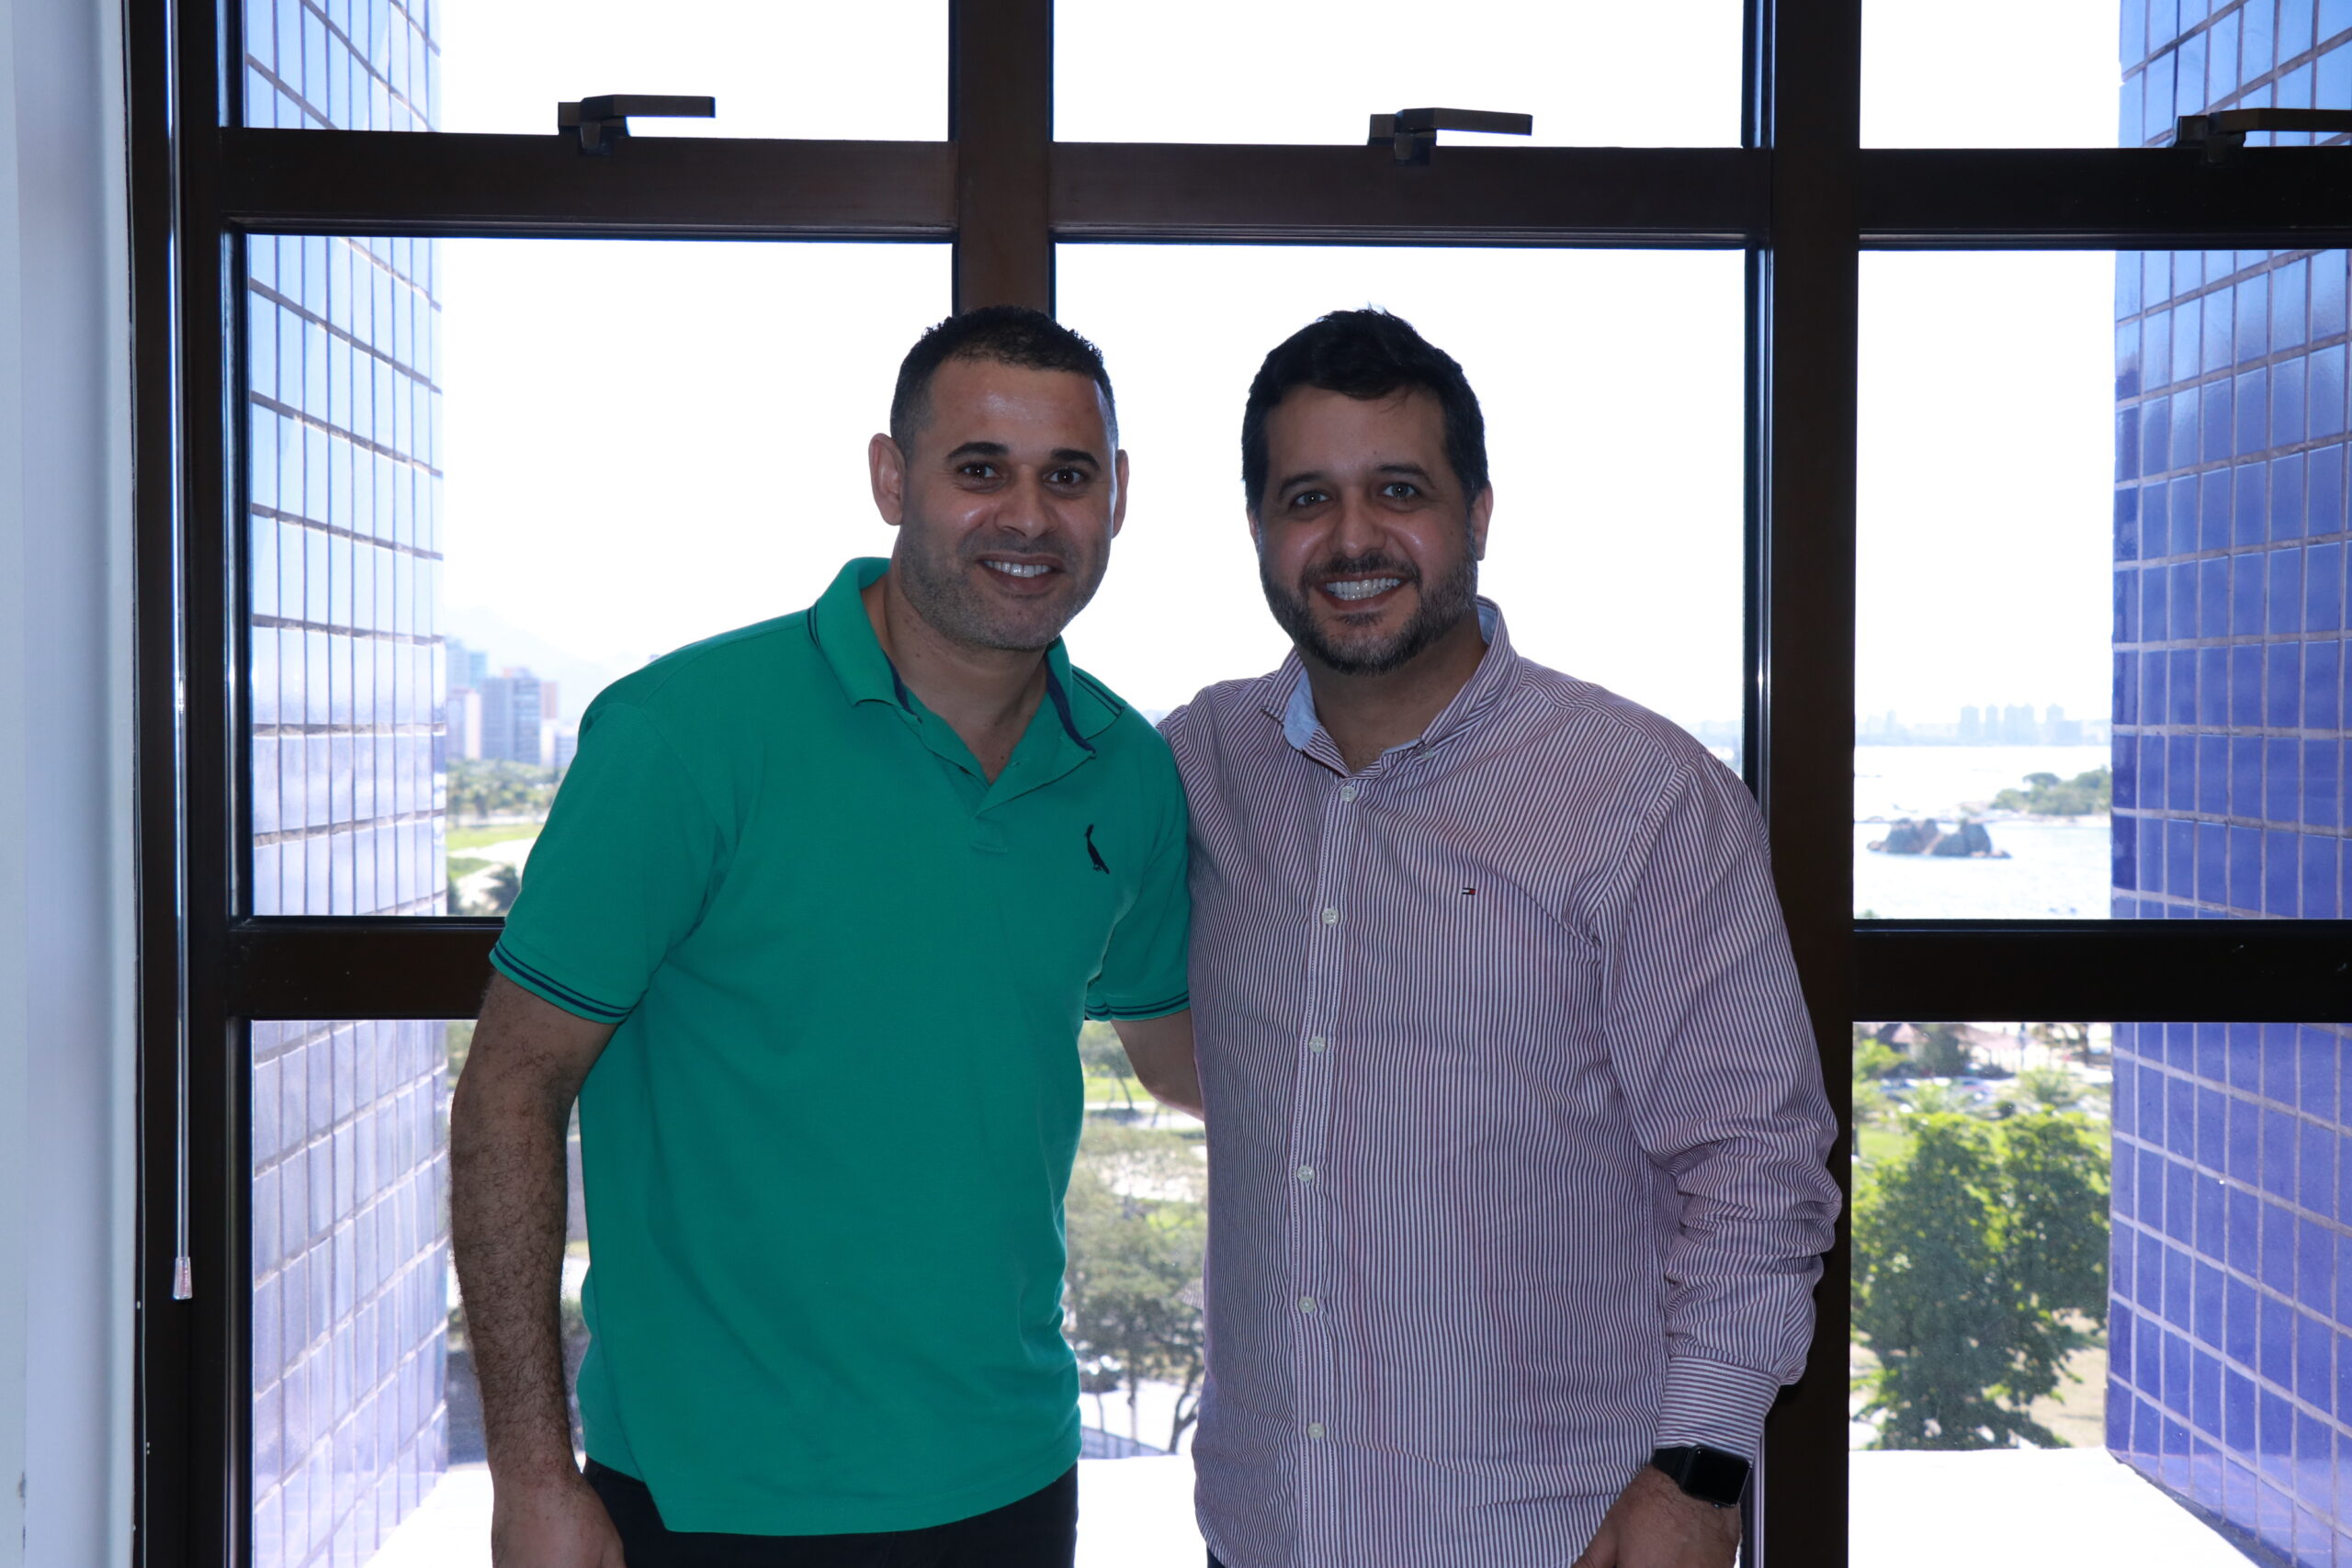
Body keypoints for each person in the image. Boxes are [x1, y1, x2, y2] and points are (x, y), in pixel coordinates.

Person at [450, 305, 1197, 1568]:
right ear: (892, 479)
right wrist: (530, 1477)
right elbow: (512, 1090)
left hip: (1010, 1479)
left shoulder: (1127, 773)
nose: (1028, 516)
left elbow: (1189, 1061)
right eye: (980, 469)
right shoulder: (684, 735)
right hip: (711, 1494)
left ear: (1117, 496)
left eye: (1067, 477)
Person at [1146, 310, 1840, 1568]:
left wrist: (1698, 1472)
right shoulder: (1201, 762)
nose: (1352, 538)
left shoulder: (1644, 795)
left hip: (1551, 1534)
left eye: (1398, 491)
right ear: (1257, 527)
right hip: (1260, 1530)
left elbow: (1754, 1169)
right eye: (1308, 498)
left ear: (1477, 513)